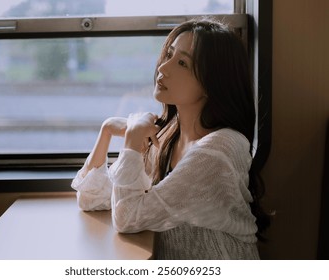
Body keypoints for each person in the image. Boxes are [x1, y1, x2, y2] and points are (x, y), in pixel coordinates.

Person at [71, 17, 270, 259]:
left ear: (211, 81)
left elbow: (126, 217)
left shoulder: (218, 151)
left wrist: (132, 141)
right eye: (169, 55)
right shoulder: (167, 136)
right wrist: (106, 131)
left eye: (183, 63)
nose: (163, 68)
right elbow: (92, 198)